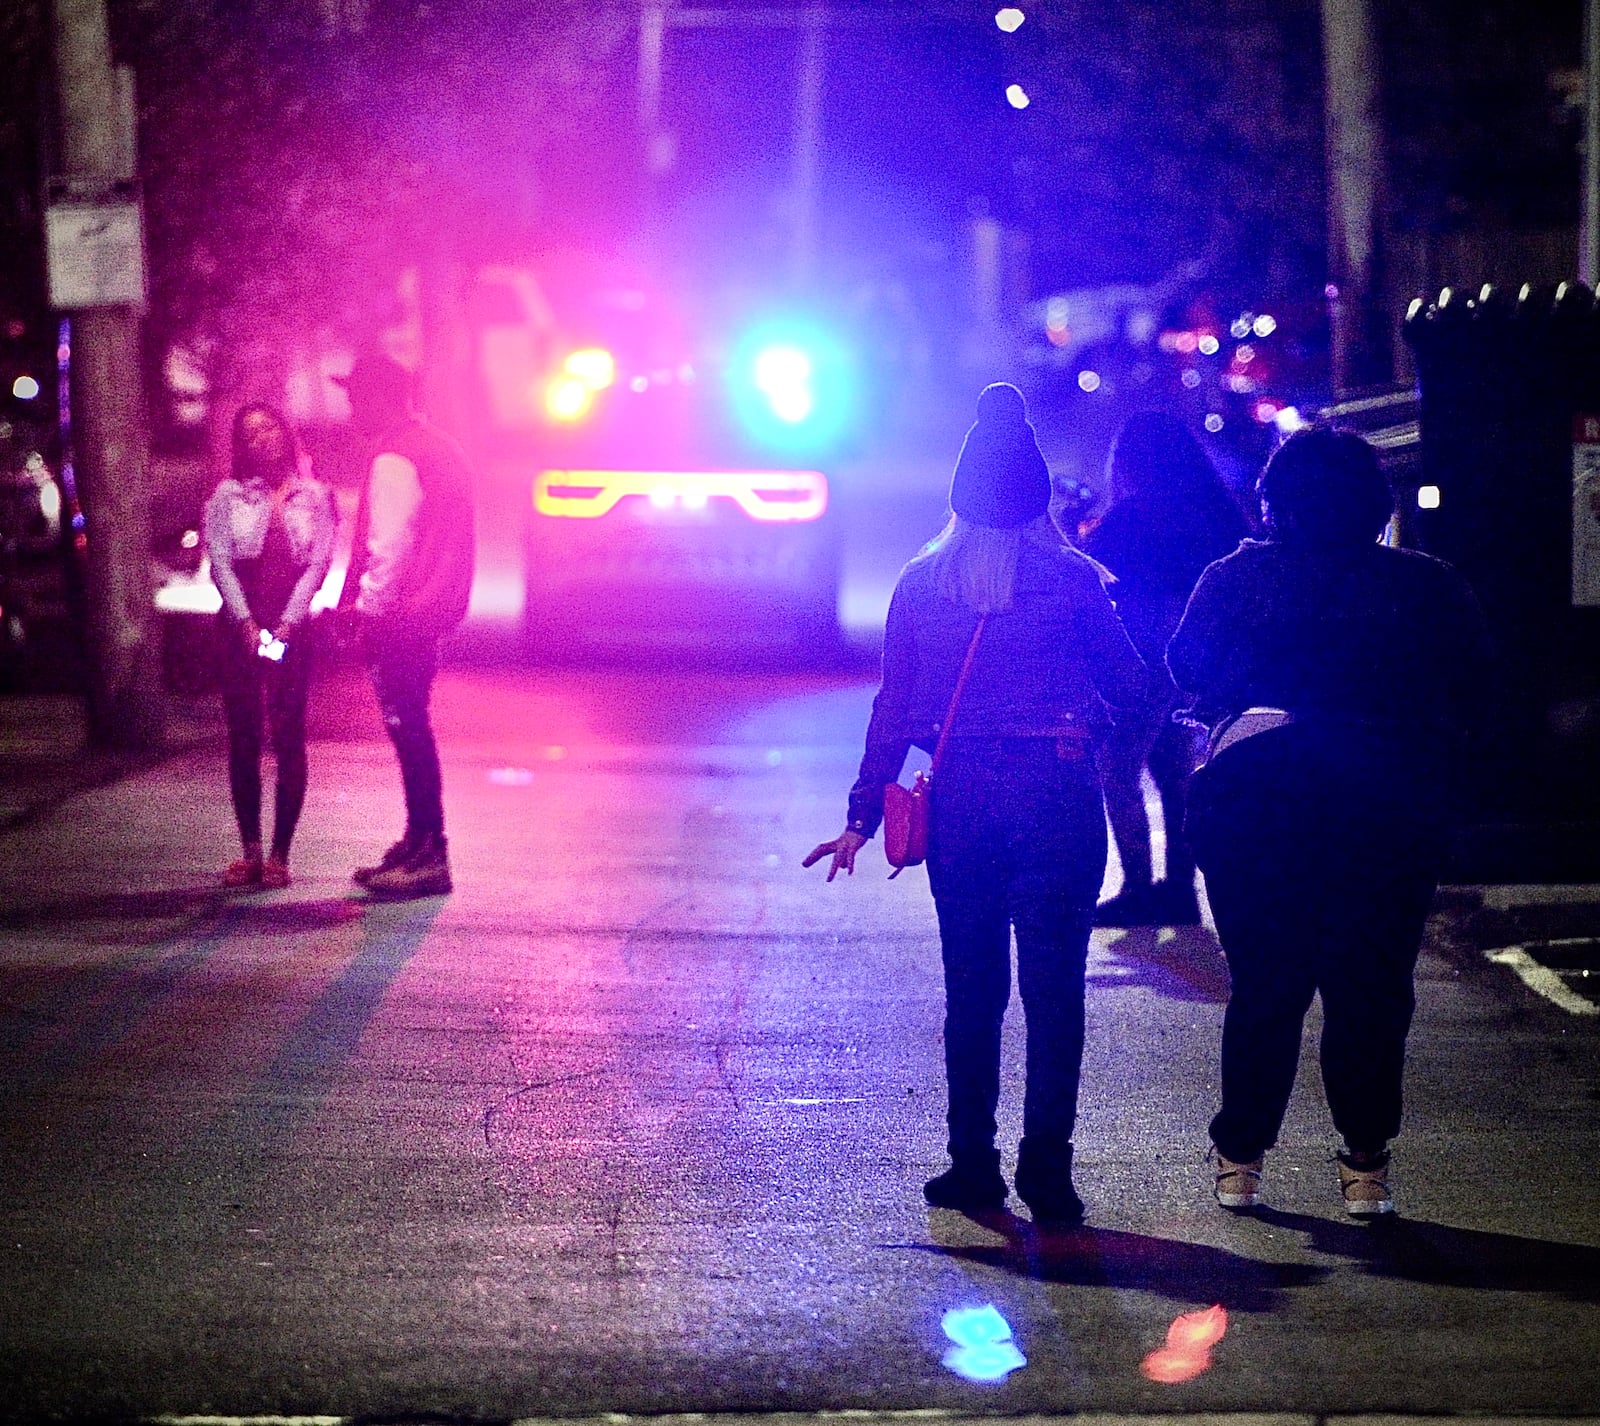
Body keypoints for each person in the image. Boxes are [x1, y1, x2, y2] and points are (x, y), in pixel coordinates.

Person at [805, 383, 1150, 1225]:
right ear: (1037, 499)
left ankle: (972, 1164)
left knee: (974, 993)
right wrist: (1096, 729)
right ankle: (1048, 1171)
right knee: (1055, 992)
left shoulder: (923, 584)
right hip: (1057, 799)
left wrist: (862, 815)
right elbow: (1134, 688)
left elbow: (895, 710)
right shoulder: (1073, 581)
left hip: (961, 804)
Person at [1168, 428, 1492, 1217]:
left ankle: (1241, 1158)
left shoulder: (1237, 577)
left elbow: (1185, 666)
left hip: (1257, 801)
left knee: (1265, 986)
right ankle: (1365, 1166)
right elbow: (1477, 687)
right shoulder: (1425, 585)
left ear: (1273, 502)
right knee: (1372, 991)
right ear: (1374, 503)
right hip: (1386, 804)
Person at [1084, 413, 1248, 926]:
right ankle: (1179, 887)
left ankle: (1138, 886)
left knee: (1116, 766)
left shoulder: (1131, 519)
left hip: (1145, 661)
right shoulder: (1218, 512)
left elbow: (1094, 576)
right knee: (1174, 772)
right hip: (1199, 659)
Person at [336, 352, 476, 899]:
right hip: (430, 611)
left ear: (383, 398)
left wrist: (366, 613)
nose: (351, 408)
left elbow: (388, 549)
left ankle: (428, 852)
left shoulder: (396, 456)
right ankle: (420, 841)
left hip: (403, 618)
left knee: (409, 730)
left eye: (357, 397)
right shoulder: (441, 448)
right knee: (413, 729)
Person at [204, 403, 336, 889]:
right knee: (243, 737)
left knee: (288, 735)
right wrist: (244, 622)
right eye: (250, 433)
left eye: (269, 427)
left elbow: (318, 564)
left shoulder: (315, 497)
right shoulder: (227, 497)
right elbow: (219, 561)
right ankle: (251, 852)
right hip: (240, 624)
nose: (262, 438)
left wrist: (286, 626)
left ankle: (281, 853)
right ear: (241, 446)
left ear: (286, 432)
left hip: (292, 630)